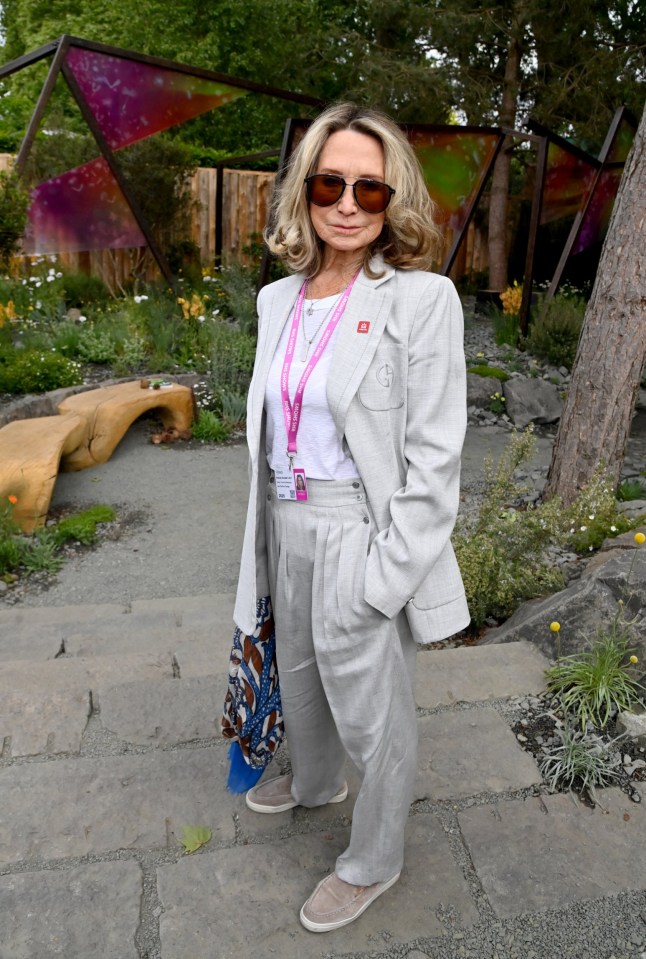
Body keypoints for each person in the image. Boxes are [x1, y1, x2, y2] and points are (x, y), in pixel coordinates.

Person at [233, 102, 469, 933]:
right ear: (305, 189)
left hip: (358, 531)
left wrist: (386, 576)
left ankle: (374, 858)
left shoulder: (422, 300)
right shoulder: (277, 300)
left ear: (391, 200)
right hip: (285, 520)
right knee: (300, 678)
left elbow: (436, 455)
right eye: (329, 182)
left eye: (369, 189)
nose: (346, 203)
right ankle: (314, 779)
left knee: (375, 714)